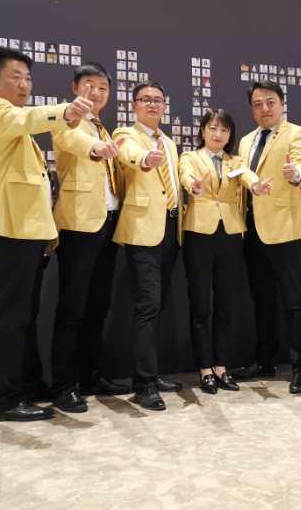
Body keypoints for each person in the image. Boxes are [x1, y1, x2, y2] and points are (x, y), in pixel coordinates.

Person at [0, 47, 91, 421]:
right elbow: (29, 118)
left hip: (30, 233)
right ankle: (5, 399)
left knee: (24, 315)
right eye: (15, 77)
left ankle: (27, 385)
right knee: (11, 317)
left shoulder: (19, 130)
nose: (24, 85)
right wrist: (66, 111)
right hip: (12, 231)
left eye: (27, 78)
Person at [49, 62, 131, 414]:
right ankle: (64, 386)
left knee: (98, 305)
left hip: (108, 223)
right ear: (75, 87)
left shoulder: (103, 126)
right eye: (89, 85)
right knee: (73, 307)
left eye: (102, 87)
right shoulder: (67, 119)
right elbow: (74, 141)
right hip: (79, 226)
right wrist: (97, 148)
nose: (96, 92)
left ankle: (89, 376)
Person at [179, 109, 271, 394]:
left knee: (226, 304)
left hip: (230, 235)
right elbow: (186, 177)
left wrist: (256, 185)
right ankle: (204, 368)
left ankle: (221, 366)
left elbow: (247, 177)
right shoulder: (190, 157)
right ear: (203, 131)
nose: (218, 134)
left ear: (230, 135)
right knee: (200, 304)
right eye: (213, 128)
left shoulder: (236, 161)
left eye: (224, 130)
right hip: (199, 234)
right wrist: (194, 187)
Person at [232, 81, 301, 394]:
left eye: (270, 102)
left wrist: (297, 175)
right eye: (257, 104)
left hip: (284, 227)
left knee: (294, 301)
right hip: (251, 229)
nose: (264, 108)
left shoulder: (297, 133)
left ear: (281, 104)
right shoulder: (246, 140)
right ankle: (264, 361)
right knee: (262, 299)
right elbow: (241, 173)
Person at [112, 80, 183, 410]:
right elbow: (129, 155)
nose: (153, 104)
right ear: (134, 105)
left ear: (165, 106)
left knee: (158, 305)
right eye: (145, 99)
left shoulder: (169, 143)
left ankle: (152, 374)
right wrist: (145, 159)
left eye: (158, 100)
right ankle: (143, 384)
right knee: (147, 305)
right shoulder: (125, 134)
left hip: (171, 228)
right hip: (143, 230)